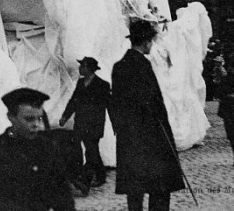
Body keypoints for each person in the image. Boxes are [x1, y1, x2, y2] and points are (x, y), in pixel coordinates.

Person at [111, 20, 185, 211]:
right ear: (145, 42)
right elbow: (152, 102)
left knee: (134, 188)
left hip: (128, 136)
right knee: (160, 184)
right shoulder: (142, 65)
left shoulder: (119, 66)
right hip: (150, 135)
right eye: (151, 41)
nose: (151, 45)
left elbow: (117, 104)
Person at [0, 87, 75, 211]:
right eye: (29, 119)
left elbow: (64, 197)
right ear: (11, 117)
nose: (36, 124)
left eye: (40, 118)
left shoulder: (47, 148)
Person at [59, 57, 111, 188]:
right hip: (80, 122)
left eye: (82, 66)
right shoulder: (80, 82)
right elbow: (73, 100)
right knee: (85, 149)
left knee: (91, 150)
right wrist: (65, 116)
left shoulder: (103, 85)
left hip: (94, 124)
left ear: (89, 69)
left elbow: (108, 105)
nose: (79, 69)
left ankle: (89, 179)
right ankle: (97, 175)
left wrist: (117, 123)